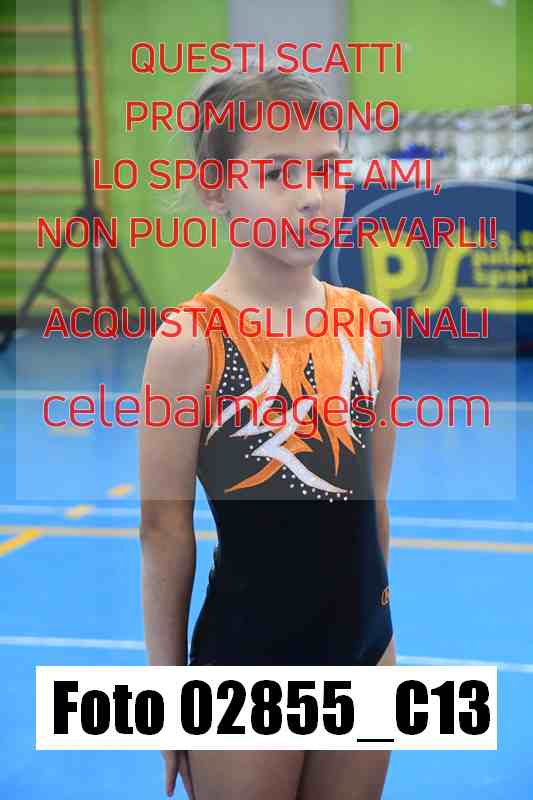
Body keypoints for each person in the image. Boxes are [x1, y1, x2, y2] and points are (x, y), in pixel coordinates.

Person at [138, 63, 402, 800]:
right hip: (247, 658)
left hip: (365, 645)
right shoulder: (191, 341)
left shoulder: (373, 326)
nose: (311, 194)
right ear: (215, 185)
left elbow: (373, 502)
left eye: (327, 167)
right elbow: (163, 532)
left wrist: (378, 633)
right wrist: (167, 699)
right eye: (279, 171)